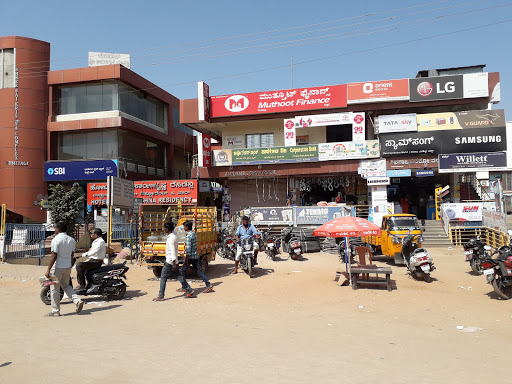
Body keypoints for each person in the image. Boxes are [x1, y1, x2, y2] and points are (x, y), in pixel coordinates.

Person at [45, 222, 84, 316]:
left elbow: (54, 255)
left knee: (54, 288)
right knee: (66, 286)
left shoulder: (56, 240)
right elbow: (71, 253)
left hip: (57, 267)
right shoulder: (72, 240)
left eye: (55, 228)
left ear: (58, 229)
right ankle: (77, 301)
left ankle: (55, 311)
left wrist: (48, 269)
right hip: (67, 266)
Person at [178, 220, 213, 297]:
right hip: (195, 256)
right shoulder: (194, 234)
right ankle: (208, 284)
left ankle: (185, 287)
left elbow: (188, 249)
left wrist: (186, 259)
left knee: (183, 271)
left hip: (190, 256)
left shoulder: (188, 236)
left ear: (187, 227)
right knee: (198, 271)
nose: (183, 228)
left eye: (184, 226)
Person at [153, 222, 179, 302]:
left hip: (170, 262)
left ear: (167, 229)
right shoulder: (174, 237)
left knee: (163, 277)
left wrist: (173, 263)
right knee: (179, 276)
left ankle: (161, 296)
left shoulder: (171, 238)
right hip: (173, 261)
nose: (164, 229)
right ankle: (188, 289)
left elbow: (172, 251)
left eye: (165, 228)